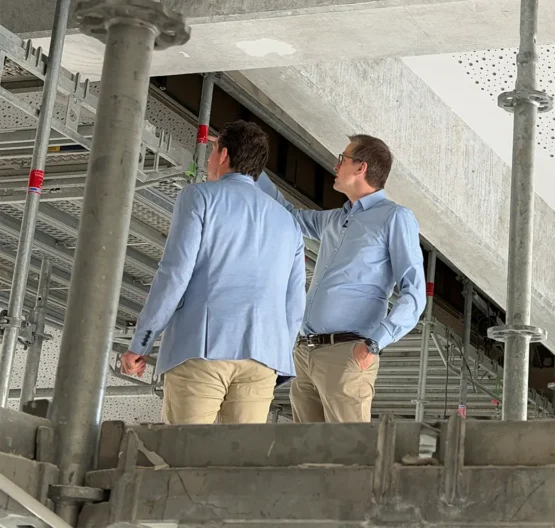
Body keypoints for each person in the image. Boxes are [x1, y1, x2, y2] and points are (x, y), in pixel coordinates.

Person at [120, 121, 306, 424]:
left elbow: (175, 274)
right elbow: (295, 304)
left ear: (224, 155)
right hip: (264, 360)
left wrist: (142, 342)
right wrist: (277, 357)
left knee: (184, 457)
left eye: (212, 150)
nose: (208, 159)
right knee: (238, 465)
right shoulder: (288, 224)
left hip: (203, 348)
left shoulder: (200, 197)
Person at [256, 133, 426, 423]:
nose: (336, 166)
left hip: (347, 354)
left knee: (348, 455)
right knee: (307, 455)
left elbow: (414, 293)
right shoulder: (337, 219)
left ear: (360, 168)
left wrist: (373, 344)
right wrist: (250, 169)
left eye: (342, 159)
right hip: (307, 353)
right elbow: (289, 216)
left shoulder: (394, 218)